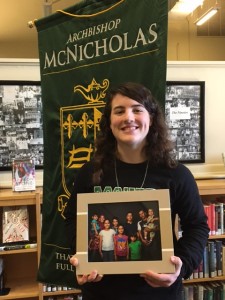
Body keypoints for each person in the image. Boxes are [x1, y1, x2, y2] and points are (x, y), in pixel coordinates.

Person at [65, 82, 209, 300]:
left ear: (150, 118)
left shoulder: (176, 174)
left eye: (137, 109)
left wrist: (182, 266)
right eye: (119, 111)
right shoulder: (89, 173)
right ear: (109, 122)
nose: (128, 118)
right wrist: (82, 258)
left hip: (158, 293)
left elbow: (197, 226)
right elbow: (71, 220)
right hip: (101, 292)